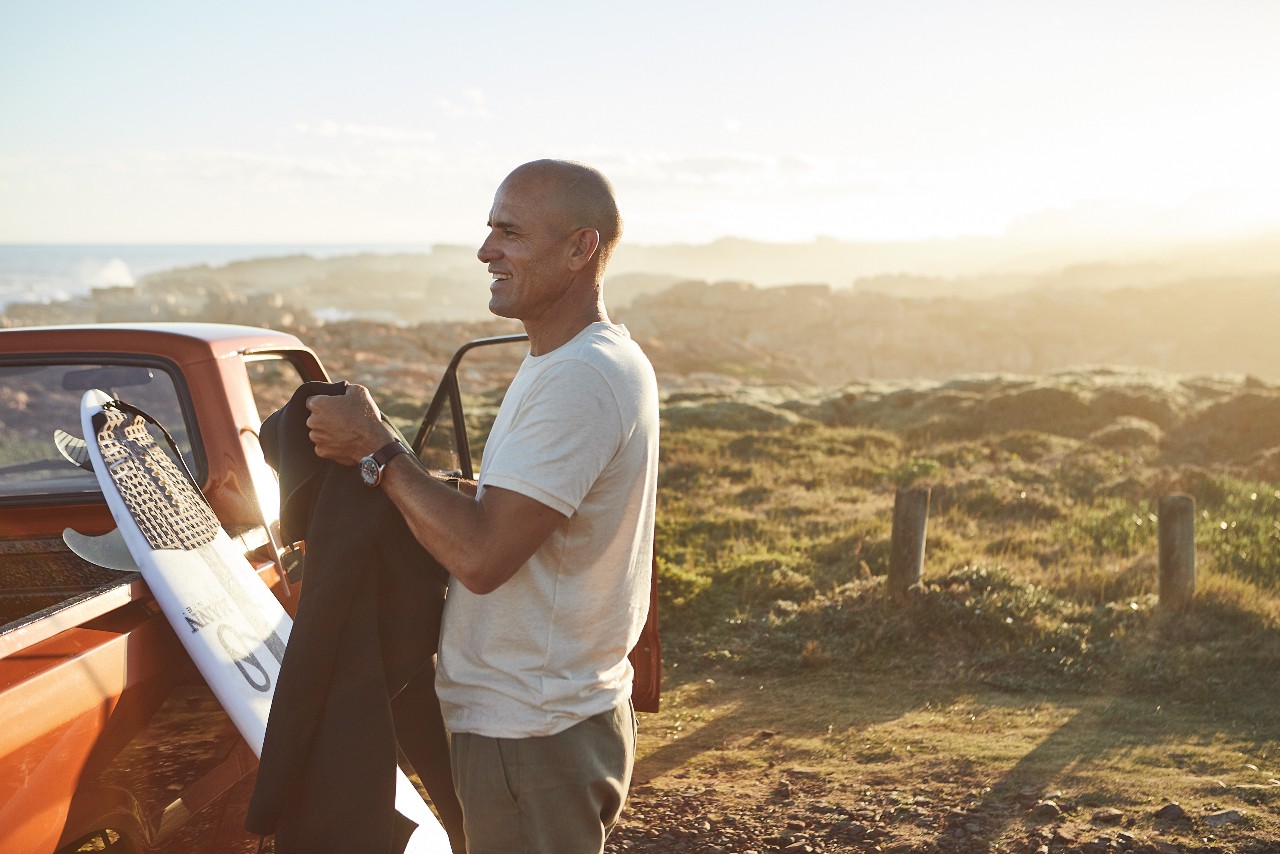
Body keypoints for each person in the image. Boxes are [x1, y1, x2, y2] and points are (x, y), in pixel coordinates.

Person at [304, 159, 659, 853]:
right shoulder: (573, 360)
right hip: (542, 720)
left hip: (533, 731)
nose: (485, 250)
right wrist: (427, 491)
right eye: (489, 228)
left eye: (510, 232)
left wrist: (378, 452)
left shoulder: (580, 378)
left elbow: (483, 555)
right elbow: (528, 517)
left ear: (580, 248)